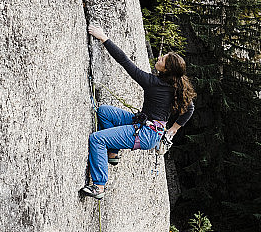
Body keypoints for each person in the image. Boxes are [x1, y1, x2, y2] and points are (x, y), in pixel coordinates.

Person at [81, 24, 196, 199]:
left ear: (166, 69)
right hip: (144, 126)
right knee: (104, 112)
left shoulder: (153, 83)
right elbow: (190, 108)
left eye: (162, 59)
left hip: (145, 134)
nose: (159, 58)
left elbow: (124, 61)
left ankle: (99, 186)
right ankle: (112, 152)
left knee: (97, 139)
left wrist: (103, 37)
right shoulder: (176, 86)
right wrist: (173, 130)